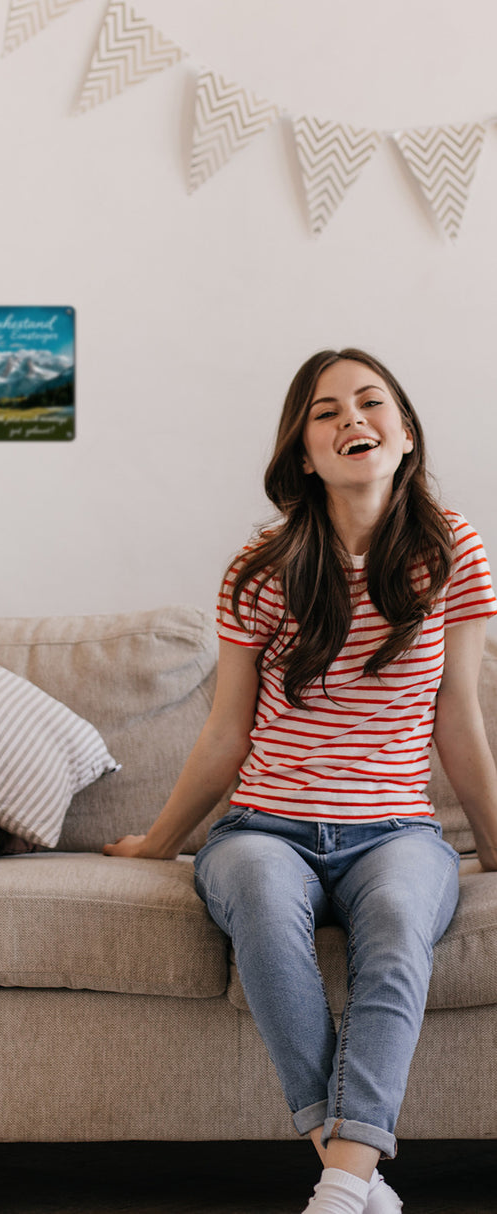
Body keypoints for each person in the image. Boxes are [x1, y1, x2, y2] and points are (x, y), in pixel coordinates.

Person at [104, 348, 497, 1214]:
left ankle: (341, 1185)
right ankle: (354, 1176)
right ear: (304, 453)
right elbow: (226, 732)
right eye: (326, 411)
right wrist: (160, 843)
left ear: (404, 437)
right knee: (259, 905)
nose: (351, 419)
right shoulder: (261, 566)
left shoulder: (453, 550)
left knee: (398, 921)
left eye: (370, 403)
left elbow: (457, 718)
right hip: (262, 828)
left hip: (396, 833)